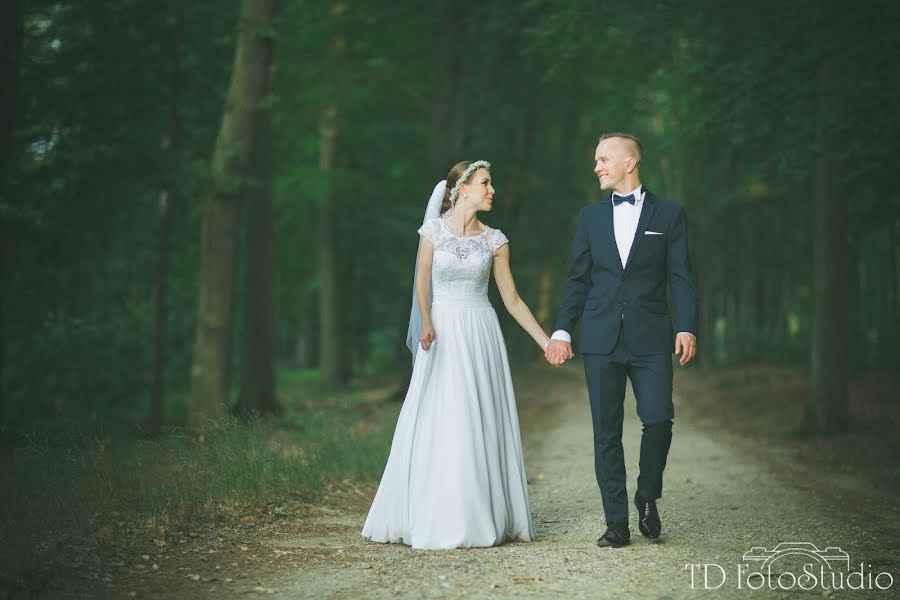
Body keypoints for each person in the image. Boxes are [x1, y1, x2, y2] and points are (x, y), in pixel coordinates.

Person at [362, 160, 548, 550]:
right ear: (463, 188)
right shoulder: (433, 232)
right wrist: (427, 320)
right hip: (443, 330)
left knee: (475, 414)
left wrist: (545, 342)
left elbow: (512, 300)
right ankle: (433, 509)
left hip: (480, 331)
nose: (492, 189)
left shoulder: (495, 240)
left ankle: (481, 512)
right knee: (442, 415)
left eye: (490, 183)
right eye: (485, 183)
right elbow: (422, 281)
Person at [545, 133, 698, 548]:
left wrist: (686, 325)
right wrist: (562, 328)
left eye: (603, 159)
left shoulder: (670, 214)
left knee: (659, 418)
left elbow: (681, 276)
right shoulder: (590, 217)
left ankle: (647, 494)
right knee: (605, 432)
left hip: (651, 337)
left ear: (629, 163)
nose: (596, 167)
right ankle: (617, 524)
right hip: (600, 338)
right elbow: (577, 279)